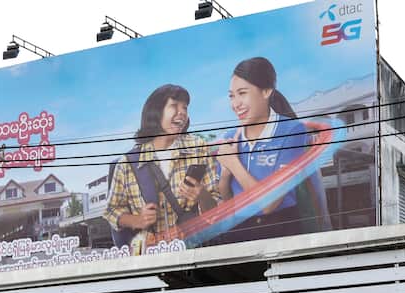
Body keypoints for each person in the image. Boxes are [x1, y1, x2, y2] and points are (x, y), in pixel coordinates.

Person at [214, 57, 330, 242]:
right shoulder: (230, 138)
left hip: (280, 229)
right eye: (231, 96)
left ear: (266, 91)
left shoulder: (292, 130)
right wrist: (226, 176)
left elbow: (270, 204)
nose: (236, 103)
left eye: (242, 93)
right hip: (239, 230)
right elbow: (228, 202)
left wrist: (234, 164)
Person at [104, 84, 219, 249]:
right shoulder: (128, 163)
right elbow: (111, 210)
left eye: (185, 107)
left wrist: (201, 195)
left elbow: (217, 208)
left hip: (193, 251)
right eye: (174, 106)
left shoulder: (198, 148)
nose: (182, 112)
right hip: (150, 256)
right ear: (156, 112)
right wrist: (137, 220)